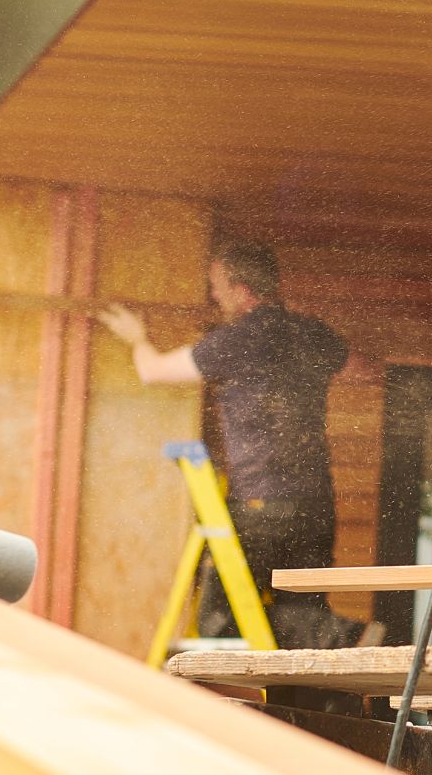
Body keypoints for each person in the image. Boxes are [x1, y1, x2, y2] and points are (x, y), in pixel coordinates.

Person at [99, 242, 376, 651]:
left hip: (261, 504)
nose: (214, 295)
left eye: (218, 286)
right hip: (316, 505)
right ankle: (330, 643)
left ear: (243, 290)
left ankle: (343, 637)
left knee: (219, 622)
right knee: (302, 607)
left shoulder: (235, 340)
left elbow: (152, 371)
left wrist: (137, 337)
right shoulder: (312, 334)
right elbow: (365, 368)